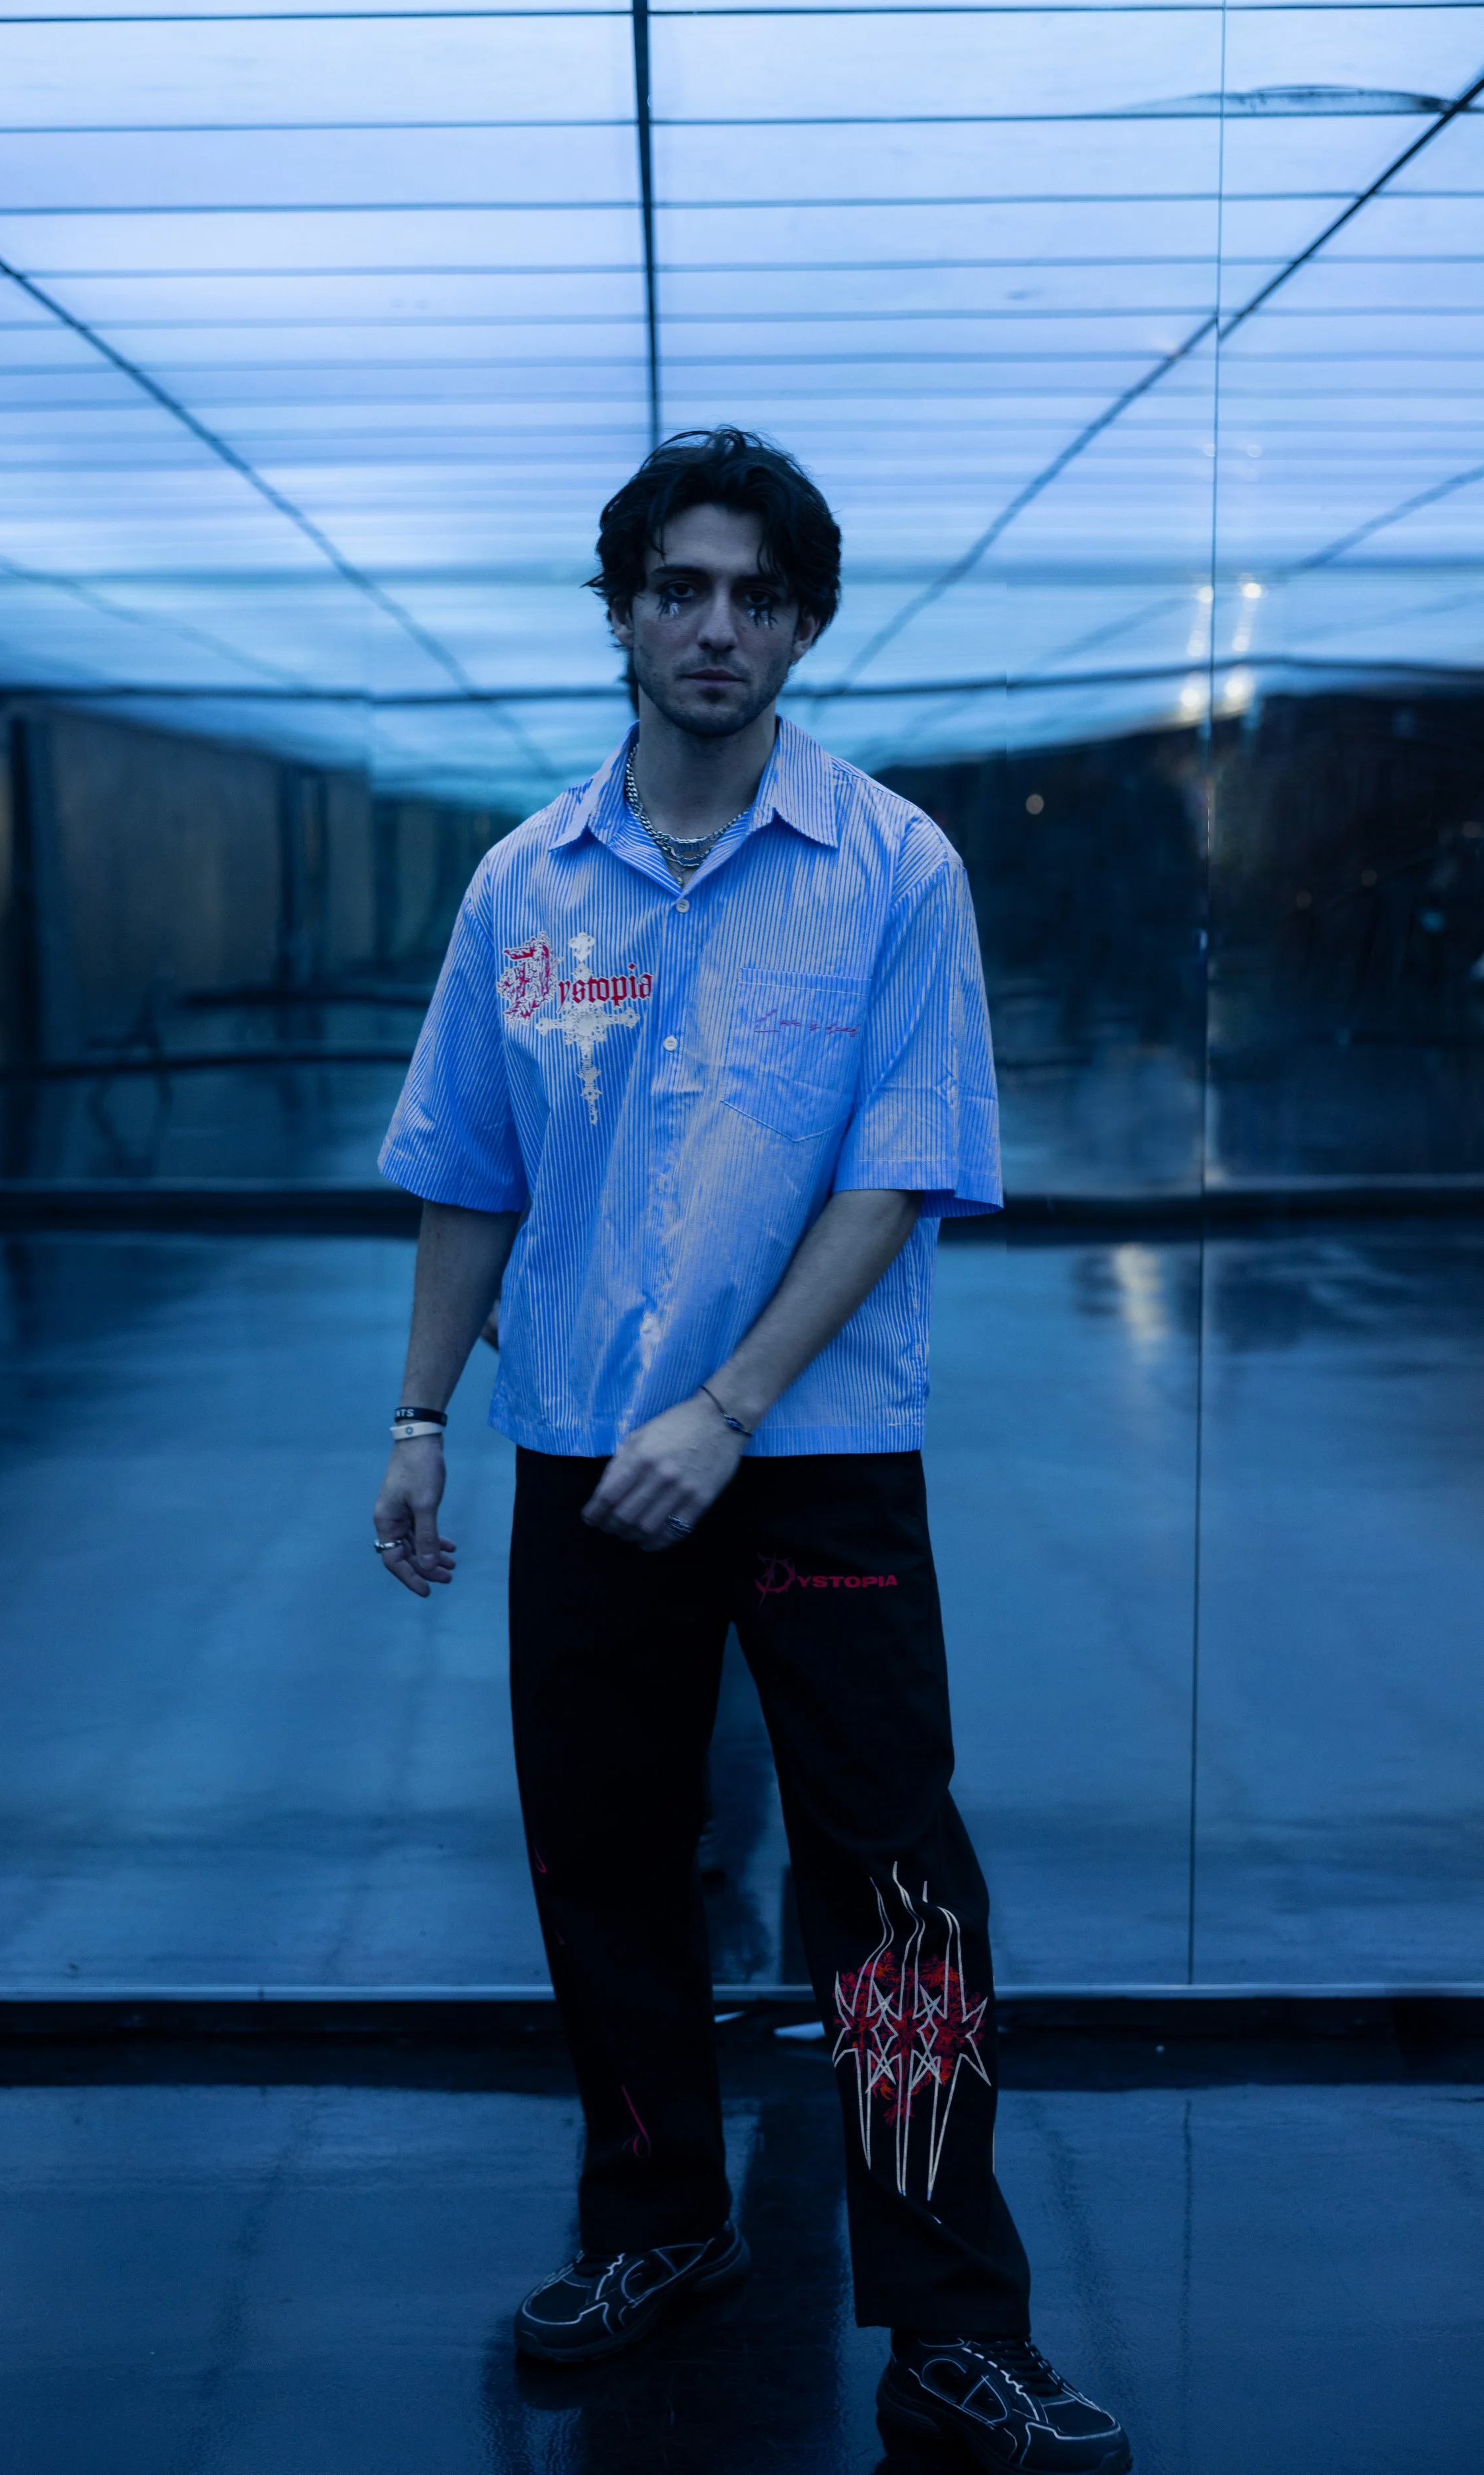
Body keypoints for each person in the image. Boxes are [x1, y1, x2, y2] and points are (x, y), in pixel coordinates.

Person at [373, 428, 1130, 2472]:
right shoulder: (525, 883)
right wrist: (421, 1416)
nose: (713, 626)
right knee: (603, 1858)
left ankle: (955, 2325)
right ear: (623, 613)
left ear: (801, 626)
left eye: (754, 596)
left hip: (813, 1454)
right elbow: (468, 1171)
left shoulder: (890, 867)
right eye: (678, 588)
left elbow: (900, 1167)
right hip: (581, 1449)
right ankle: (658, 2223)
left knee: (893, 1888)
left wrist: (727, 1409)